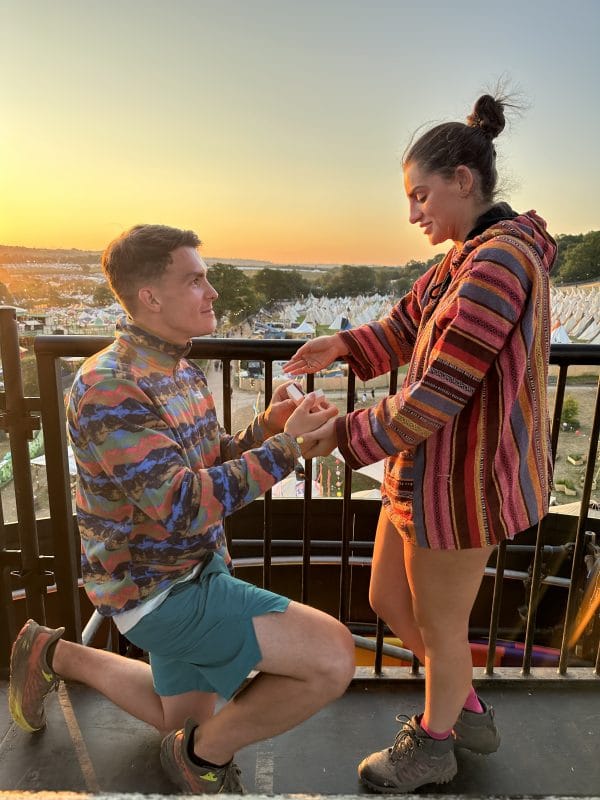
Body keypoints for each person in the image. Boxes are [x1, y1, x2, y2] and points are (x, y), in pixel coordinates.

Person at [8, 224, 355, 794]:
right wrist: (288, 447)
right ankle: (198, 761)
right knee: (332, 657)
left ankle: (53, 654)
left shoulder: (177, 370)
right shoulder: (108, 386)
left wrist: (268, 426)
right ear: (150, 297)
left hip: (193, 569)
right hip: (159, 592)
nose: (212, 293)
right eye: (196, 280)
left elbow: (212, 460)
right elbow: (181, 504)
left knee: (190, 723)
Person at [283, 92, 556, 793]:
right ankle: (462, 706)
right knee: (389, 600)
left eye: (420, 195)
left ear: (463, 179)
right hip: (425, 473)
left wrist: (340, 436)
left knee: (438, 624)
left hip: (465, 484)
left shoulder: (498, 264)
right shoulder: (464, 259)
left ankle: (433, 746)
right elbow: (406, 327)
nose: (414, 214)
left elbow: (438, 389)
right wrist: (340, 345)